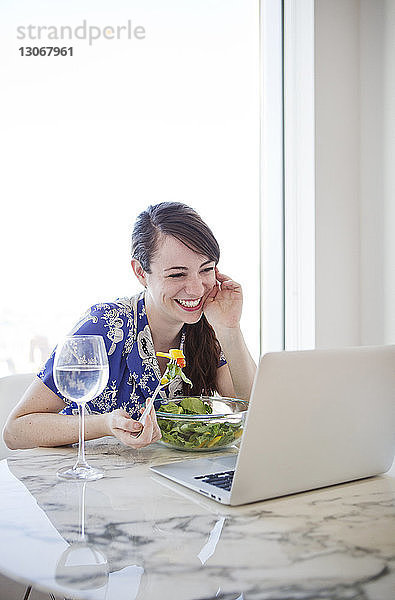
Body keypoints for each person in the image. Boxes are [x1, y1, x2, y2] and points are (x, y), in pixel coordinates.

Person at [3, 202, 256, 450]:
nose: (196, 288)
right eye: (177, 274)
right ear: (140, 272)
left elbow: (256, 416)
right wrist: (104, 424)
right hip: (86, 480)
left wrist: (230, 329)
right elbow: (15, 431)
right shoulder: (105, 326)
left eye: (206, 269)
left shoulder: (207, 323)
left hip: (161, 479)